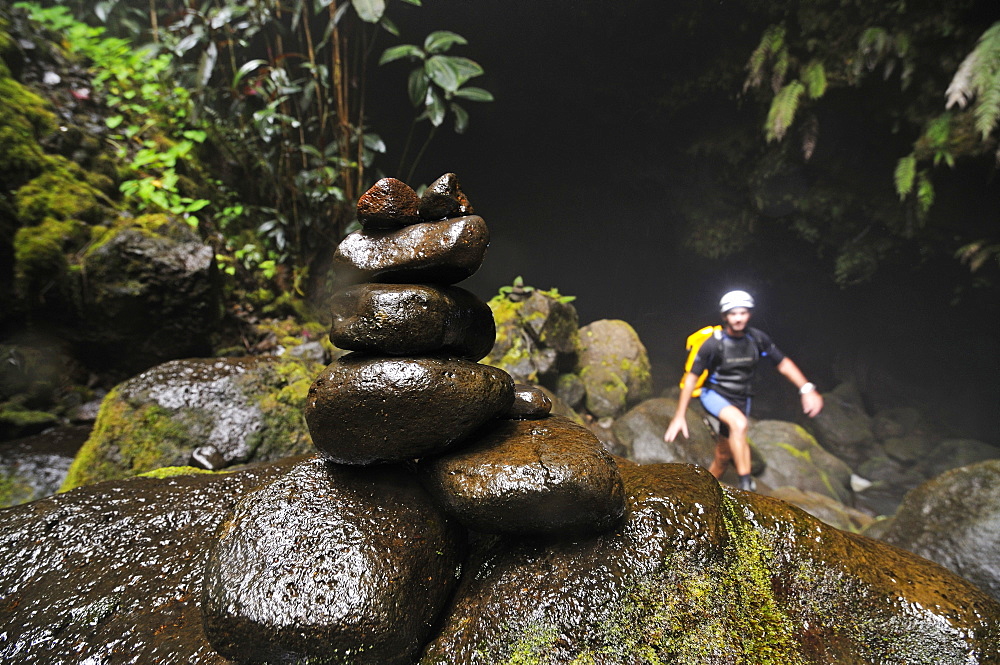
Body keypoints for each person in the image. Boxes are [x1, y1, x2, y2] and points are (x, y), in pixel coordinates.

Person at [663, 290, 823, 491]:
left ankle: (702, 492)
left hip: (742, 399)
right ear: (724, 316)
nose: (738, 318)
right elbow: (691, 378)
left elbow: (783, 364)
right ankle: (747, 485)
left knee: (723, 456)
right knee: (739, 425)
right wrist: (680, 415)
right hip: (715, 395)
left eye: (742, 313)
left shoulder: (757, 340)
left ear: (749, 314)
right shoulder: (713, 344)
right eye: (733, 314)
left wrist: (806, 389)